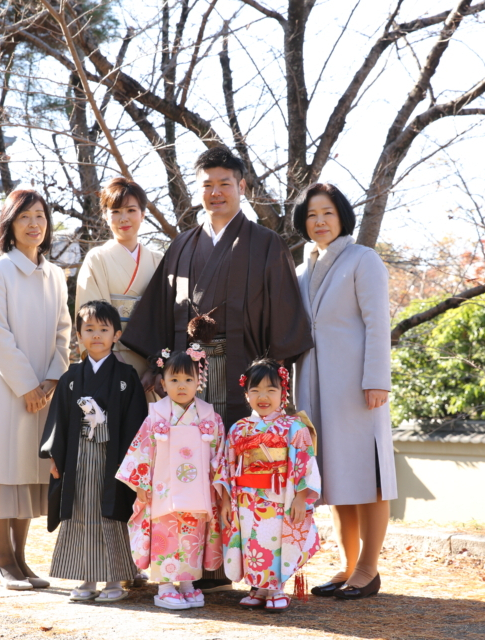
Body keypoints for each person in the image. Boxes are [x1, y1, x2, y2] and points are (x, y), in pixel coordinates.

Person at [122, 146, 313, 591]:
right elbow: (156, 315)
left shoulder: (266, 245)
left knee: (234, 474)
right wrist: (160, 366)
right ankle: (194, 566)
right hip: (188, 380)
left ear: (242, 187)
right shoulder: (183, 245)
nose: (215, 192)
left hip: (242, 376)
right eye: (206, 184)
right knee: (191, 471)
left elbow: (285, 320)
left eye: (225, 183)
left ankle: (247, 567)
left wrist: (274, 381)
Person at [292, 183, 396, 600]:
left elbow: (377, 322)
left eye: (328, 213)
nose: (319, 221)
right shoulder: (301, 269)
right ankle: (348, 565)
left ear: (342, 217)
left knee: (367, 479)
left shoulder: (362, 259)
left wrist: (376, 380)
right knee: (335, 477)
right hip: (315, 389)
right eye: (312, 214)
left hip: (357, 388)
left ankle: (369, 569)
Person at [0, 189, 72, 591]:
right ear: (10, 225)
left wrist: (50, 379)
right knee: (3, 468)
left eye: (40, 216)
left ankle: (23, 560)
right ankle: (3, 560)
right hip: (6, 385)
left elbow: (64, 332)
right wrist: (26, 385)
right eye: (25, 217)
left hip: (45, 389)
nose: (35, 224)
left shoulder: (56, 275)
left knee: (31, 471)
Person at [40, 300, 148, 603]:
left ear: (116, 335)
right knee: (81, 514)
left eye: (104, 329)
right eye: (89, 329)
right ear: (79, 335)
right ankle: (85, 579)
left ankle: (114, 580)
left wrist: (133, 465)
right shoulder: (71, 378)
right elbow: (58, 420)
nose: (96, 335)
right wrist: (54, 456)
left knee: (112, 515)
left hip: (113, 460)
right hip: (78, 460)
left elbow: (137, 423)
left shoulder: (127, 377)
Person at [116, 348, 226, 610]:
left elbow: (220, 455)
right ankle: (165, 587)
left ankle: (188, 584)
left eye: (188, 379)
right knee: (165, 534)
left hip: (198, 490)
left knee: (192, 536)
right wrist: (141, 484)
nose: (181, 386)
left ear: (199, 382)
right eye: (174, 380)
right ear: (162, 383)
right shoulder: (156, 416)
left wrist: (219, 487)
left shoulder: (210, 417)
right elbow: (141, 450)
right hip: (162, 489)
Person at [217, 358, 321, 613]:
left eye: (271, 390)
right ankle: (258, 587)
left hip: (279, 497)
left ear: (283, 393)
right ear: (246, 394)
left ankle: (275, 588)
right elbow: (227, 466)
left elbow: (305, 464)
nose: (263, 396)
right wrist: (227, 501)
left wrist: (299, 498)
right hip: (246, 497)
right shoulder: (239, 429)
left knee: (272, 540)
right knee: (252, 541)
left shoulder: (295, 427)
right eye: (255, 390)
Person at [75, 177, 163, 377]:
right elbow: (91, 318)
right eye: (115, 211)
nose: (124, 218)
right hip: (112, 361)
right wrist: (112, 364)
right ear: (105, 216)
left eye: (131, 210)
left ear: (143, 214)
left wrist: (158, 368)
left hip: (151, 361)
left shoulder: (158, 260)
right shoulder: (97, 258)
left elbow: (165, 319)